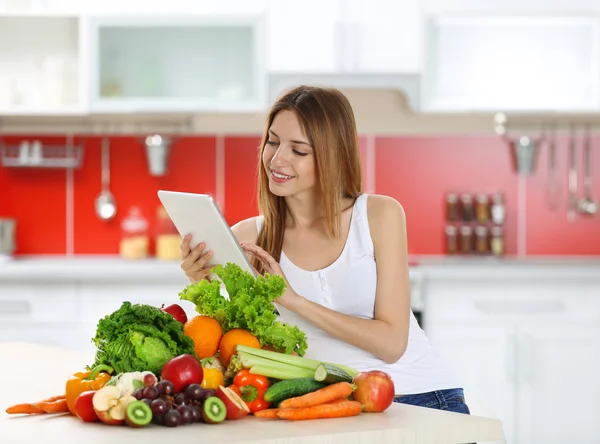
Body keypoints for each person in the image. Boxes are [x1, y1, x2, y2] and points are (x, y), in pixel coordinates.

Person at [179, 85, 470, 414]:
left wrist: (295, 302)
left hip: (421, 396)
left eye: (298, 150)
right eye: (273, 141)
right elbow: (240, 345)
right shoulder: (250, 236)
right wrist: (199, 281)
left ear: (331, 156)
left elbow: (392, 344)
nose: (277, 159)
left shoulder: (378, 216)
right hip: (327, 404)